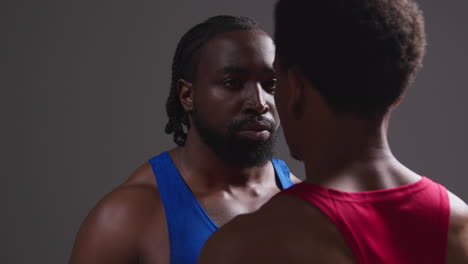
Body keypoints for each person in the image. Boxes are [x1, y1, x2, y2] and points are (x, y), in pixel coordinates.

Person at [199, 1, 468, 263]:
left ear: (295, 87)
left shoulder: (244, 247)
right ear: (397, 93)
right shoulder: (460, 224)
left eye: (274, 81)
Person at [69, 15, 299, 264]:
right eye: (233, 83)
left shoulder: (308, 202)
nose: (259, 102)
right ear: (187, 95)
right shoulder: (127, 216)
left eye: (270, 85)